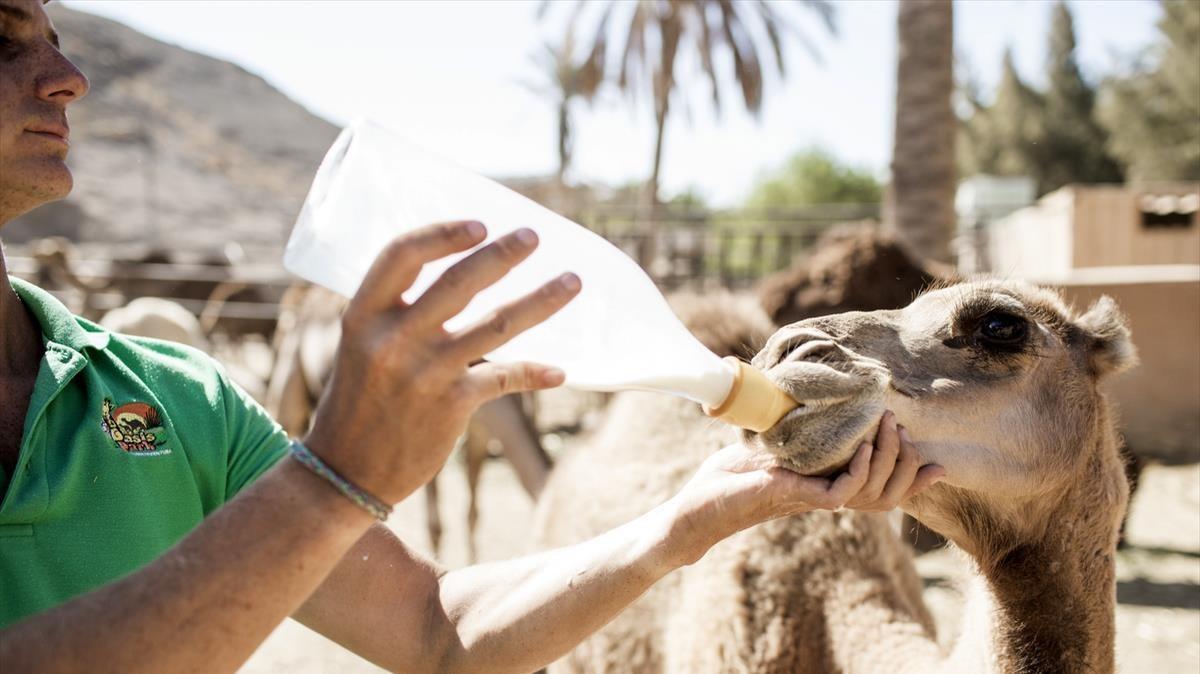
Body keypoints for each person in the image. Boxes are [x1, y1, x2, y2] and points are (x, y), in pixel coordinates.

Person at [0, 1, 945, 672]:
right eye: (5, 36)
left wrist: (691, 520)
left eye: (56, 35)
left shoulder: (171, 395)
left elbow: (436, 633)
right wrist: (334, 482)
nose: (67, 76)